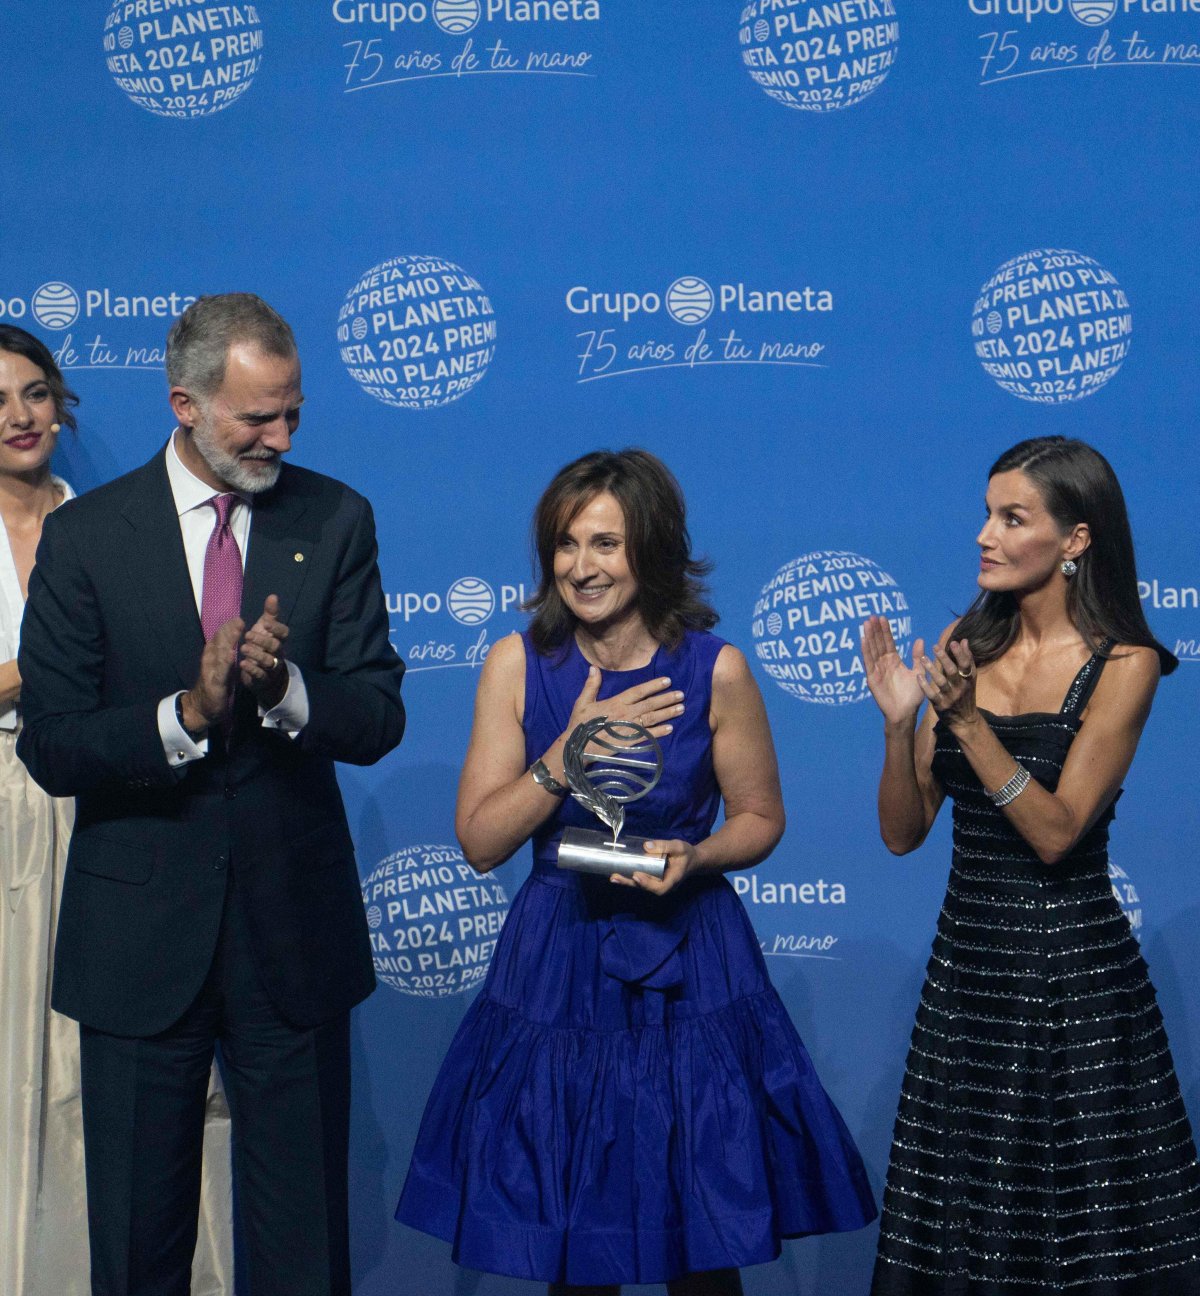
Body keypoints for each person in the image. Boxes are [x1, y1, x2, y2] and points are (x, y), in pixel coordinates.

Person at [396, 448, 876, 1294]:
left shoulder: (715, 669)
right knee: (577, 1234)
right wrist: (563, 757)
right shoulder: (517, 663)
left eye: (607, 545)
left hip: (691, 959)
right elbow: (479, 842)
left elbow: (761, 819)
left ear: (651, 551)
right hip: (559, 959)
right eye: (567, 544)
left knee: (700, 1229)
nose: (583, 568)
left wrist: (695, 856)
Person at [17, 294, 406, 1296]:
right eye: (254, 419)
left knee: (301, 1250)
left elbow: (376, 717)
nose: (279, 437)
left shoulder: (337, 517)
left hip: (294, 937)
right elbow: (55, 747)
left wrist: (286, 691)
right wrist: (188, 710)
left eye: (292, 414)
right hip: (139, 940)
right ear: (183, 402)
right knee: (138, 1247)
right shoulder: (89, 537)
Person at [863, 435, 1200, 1294]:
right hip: (967, 982)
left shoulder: (1124, 665)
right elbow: (904, 834)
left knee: (1078, 1234)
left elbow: (1058, 834)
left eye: (1013, 518)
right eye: (986, 513)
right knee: (966, 1235)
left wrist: (970, 727)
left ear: (1076, 540)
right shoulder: (965, 641)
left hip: (1074, 992)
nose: (986, 534)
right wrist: (903, 722)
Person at [0, 325, 234, 1295]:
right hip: (9, 821)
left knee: (124, 1072)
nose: (18, 416)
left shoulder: (108, 524)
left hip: (118, 813)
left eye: (34, 393)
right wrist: (37, 677)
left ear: (62, 402)